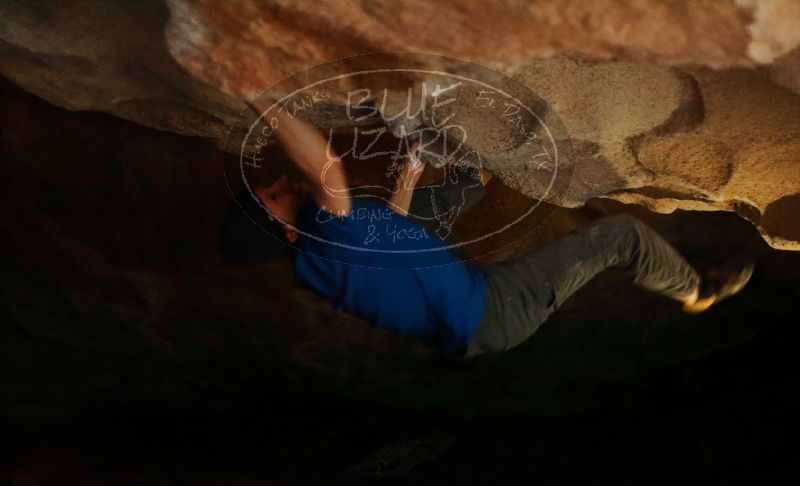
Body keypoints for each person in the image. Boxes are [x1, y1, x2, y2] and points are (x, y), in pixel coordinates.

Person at [221, 102, 753, 358]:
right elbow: (326, 168)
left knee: (430, 207)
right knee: (620, 236)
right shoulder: (322, 235)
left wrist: (406, 177)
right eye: (272, 196)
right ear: (283, 230)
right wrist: (264, 103)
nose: (279, 182)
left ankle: (469, 177)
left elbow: (393, 231)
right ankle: (695, 292)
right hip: (495, 309)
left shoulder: (318, 262)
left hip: (467, 303)